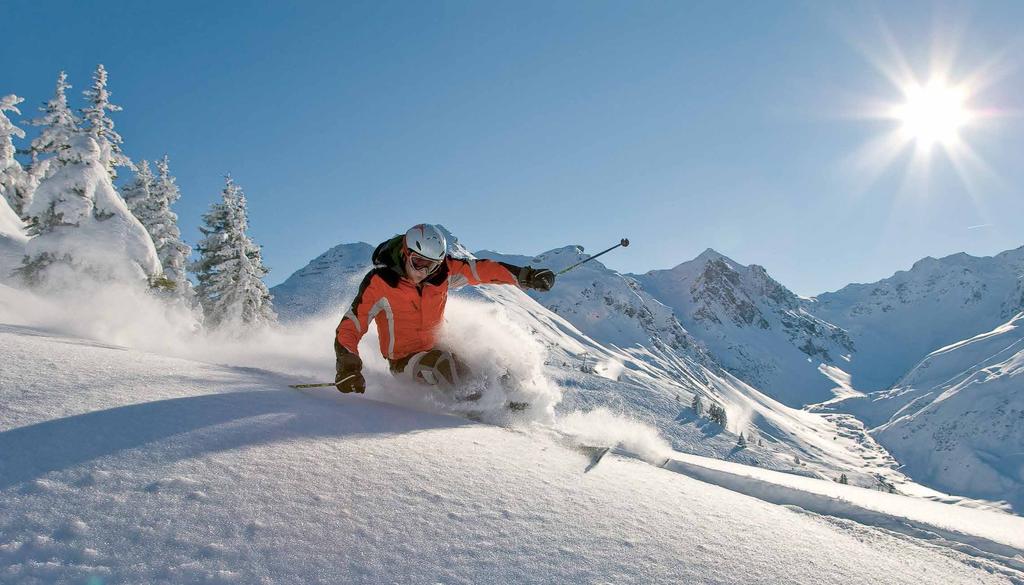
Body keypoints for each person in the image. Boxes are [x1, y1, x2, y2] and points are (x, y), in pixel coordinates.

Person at [334, 224, 555, 394]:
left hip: (439, 343)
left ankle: (517, 410)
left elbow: (481, 270)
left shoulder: (442, 273)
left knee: (488, 364)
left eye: (432, 265)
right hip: (405, 359)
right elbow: (352, 325)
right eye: (419, 263)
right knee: (441, 366)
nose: (424, 271)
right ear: (405, 252)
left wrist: (525, 276)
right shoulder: (380, 283)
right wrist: (348, 367)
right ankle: (476, 415)